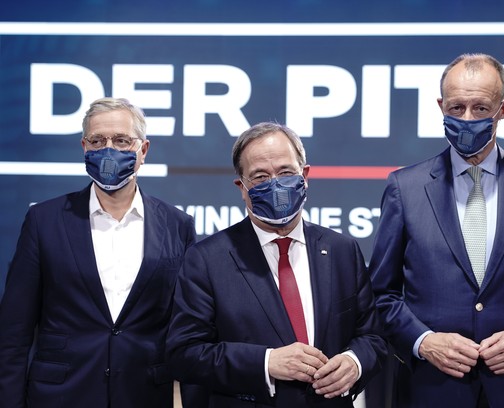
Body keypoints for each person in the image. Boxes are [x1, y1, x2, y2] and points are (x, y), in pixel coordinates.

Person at [369, 53, 504, 407]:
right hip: (431, 391)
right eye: (456, 107)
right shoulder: (403, 188)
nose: (467, 118)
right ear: (441, 106)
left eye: (481, 108)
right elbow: (381, 295)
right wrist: (424, 342)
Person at [0, 97, 206, 407]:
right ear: (84, 147)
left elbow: (189, 332)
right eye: (97, 140)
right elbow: (14, 332)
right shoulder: (44, 220)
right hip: (60, 396)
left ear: (143, 150)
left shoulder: (178, 225)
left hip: (144, 396)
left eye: (122, 140)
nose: (108, 150)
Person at [167, 121, 387, 407]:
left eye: (285, 172)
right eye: (260, 177)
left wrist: (354, 362)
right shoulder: (206, 259)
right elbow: (184, 353)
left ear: (305, 175)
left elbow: (372, 337)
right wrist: (266, 362)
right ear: (242, 187)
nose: (275, 184)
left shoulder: (342, 250)